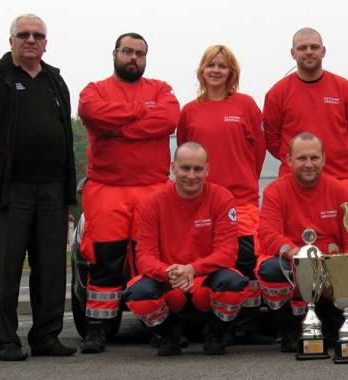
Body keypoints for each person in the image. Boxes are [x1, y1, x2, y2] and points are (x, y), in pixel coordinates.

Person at [0, 14, 77, 360]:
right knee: (3, 269)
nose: (31, 40)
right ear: (11, 41)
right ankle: (4, 341)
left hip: (52, 190)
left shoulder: (55, 80)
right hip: (6, 191)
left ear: (46, 43)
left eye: (38, 35)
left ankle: (46, 337)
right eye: (23, 34)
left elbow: (64, 133)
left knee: (51, 268)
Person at [77, 32, 180, 353]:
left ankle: (159, 326)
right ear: (115, 53)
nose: (133, 58)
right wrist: (138, 116)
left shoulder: (161, 89)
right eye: (128, 52)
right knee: (104, 260)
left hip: (153, 188)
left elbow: (169, 118)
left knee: (151, 261)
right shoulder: (94, 90)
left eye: (140, 53)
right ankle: (98, 327)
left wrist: (117, 127)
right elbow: (92, 113)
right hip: (107, 190)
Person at [177, 45, 269, 344]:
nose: (216, 71)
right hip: (204, 202)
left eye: (223, 66)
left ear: (232, 73)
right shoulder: (190, 110)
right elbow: (186, 153)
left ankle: (247, 324)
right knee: (213, 262)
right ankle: (215, 324)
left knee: (246, 259)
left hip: (241, 200)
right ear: (202, 71)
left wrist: (243, 178)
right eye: (211, 65)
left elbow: (258, 151)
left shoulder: (245, 104)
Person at [123, 142, 248, 356]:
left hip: (206, 278)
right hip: (169, 279)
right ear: (173, 168)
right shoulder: (151, 203)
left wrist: (192, 269)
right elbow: (144, 256)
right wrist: (168, 272)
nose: (191, 175)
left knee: (234, 284)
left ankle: (215, 333)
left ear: (207, 169)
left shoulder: (222, 197)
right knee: (138, 293)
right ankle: (169, 334)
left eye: (198, 169)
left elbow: (227, 251)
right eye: (185, 168)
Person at [256, 132, 348, 352]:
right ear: (289, 160)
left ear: (324, 159)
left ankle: (335, 323)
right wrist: (294, 253)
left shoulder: (341, 191)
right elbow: (268, 233)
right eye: (302, 158)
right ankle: (290, 330)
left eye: (314, 158)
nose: (309, 164)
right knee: (271, 271)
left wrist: (347, 271)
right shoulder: (275, 191)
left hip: (332, 266)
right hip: (294, 263)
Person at [263, 27, 348, 197]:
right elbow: (272, 140)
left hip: (341, 178)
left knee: (347, 224)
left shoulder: (344, 88)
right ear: (292, 53)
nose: (309, 52)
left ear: (323, 51)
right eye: (302, 48)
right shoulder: (277, 93)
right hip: (295, 183)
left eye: (314, 47)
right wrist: (299, 162)